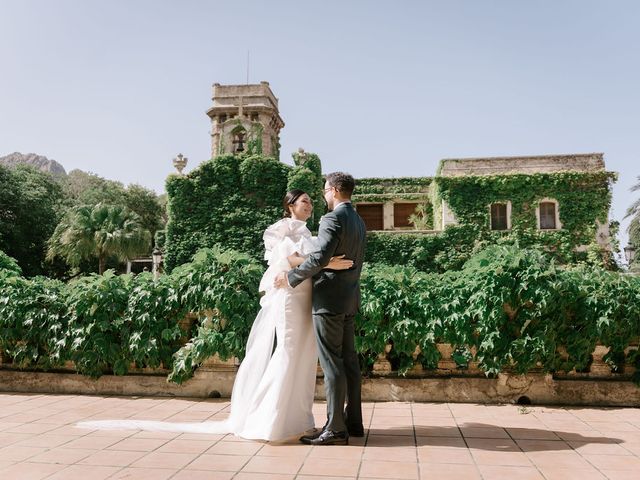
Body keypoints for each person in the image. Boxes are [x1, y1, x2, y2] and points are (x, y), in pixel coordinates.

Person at [76, 189, 352, 443]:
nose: (309, 205)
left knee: (304, 356)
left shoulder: (310, 234)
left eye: (311, 202)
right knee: (288, 352)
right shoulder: (280, 229)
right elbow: (291, 260)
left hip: (307, 295)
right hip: (289, 295)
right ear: (290, 205)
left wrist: (327, 262)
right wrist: (327, 262)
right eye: (304, 201)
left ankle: (299, 420)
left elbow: (313, 261)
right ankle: (270, 420)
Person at [275, 172, 367, 446]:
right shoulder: (359, 220)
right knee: (350, 362)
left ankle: (335, 428)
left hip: (329, 301)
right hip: (350, 298)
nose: (324, 195)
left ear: (336, 190)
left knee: (332, 364)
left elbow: (320, 259)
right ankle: (354, 423)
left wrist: (290, 278)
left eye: (326, 190)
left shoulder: (332, 218)